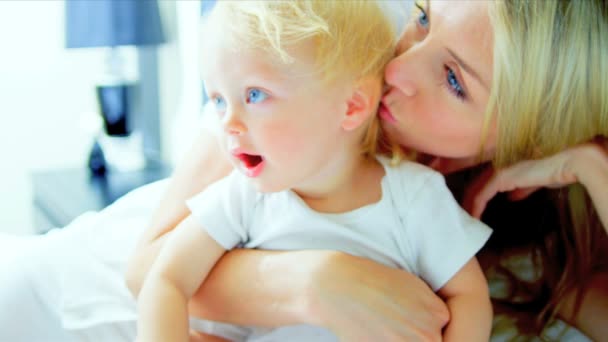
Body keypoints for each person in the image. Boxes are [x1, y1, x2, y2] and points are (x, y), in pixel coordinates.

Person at [0, 0, 606, 341]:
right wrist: (318, 282)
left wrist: (589, 164)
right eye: (422, 17)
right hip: (72, 294)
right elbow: (145, 271)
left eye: (452, 80)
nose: (398, 68)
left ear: (529, 132)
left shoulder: (492, 222)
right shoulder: (308, 91)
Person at [135, 1, 492, 341]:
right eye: (217, 100)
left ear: (351, 106)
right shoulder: (243, 196)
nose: (227, 123)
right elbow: (164, 279)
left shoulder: (414, 196)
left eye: (255, 95)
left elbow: (469, 298)